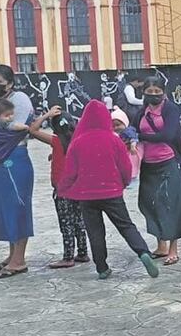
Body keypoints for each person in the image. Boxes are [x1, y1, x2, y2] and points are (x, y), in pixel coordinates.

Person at [58, 100, 159, 280]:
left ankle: (102, 268)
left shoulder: (77, 142)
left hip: (86, 197)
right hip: (112, 192)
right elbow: (125, 167)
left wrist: (63, 189)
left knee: (95, 232)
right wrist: (124, 183)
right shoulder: (114, 139)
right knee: (126, 225)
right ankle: (143, 252)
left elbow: (70, 171)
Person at [0, 65, 36, 280]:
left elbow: (12, 128)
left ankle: (19, 261)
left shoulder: (20, 99)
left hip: (13, 160)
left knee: (17, 208)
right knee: (4, 209)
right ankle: (12, 255)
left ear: (10, 83)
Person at [133, 76, 181, 265]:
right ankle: (161, 245)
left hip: (168, 162)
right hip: (148, 165)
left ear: (163, 92)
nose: (153, 96)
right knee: (150, 204)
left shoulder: (170, 109)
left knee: (172, 205)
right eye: (149, 92)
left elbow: (167, 134)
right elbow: (131, 130)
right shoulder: (141, 112)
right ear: (143, 93)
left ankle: (173, 249)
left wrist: (140, 135)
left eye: (156, 92)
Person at [26, 105, 88, 268]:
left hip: (62, 190)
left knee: (66, 223)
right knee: (79, 222)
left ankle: (68, 257)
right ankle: (82, 253)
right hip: (79, 188)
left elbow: (32, 130)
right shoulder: (78, 139)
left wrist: (46, 114)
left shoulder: (55, 141)